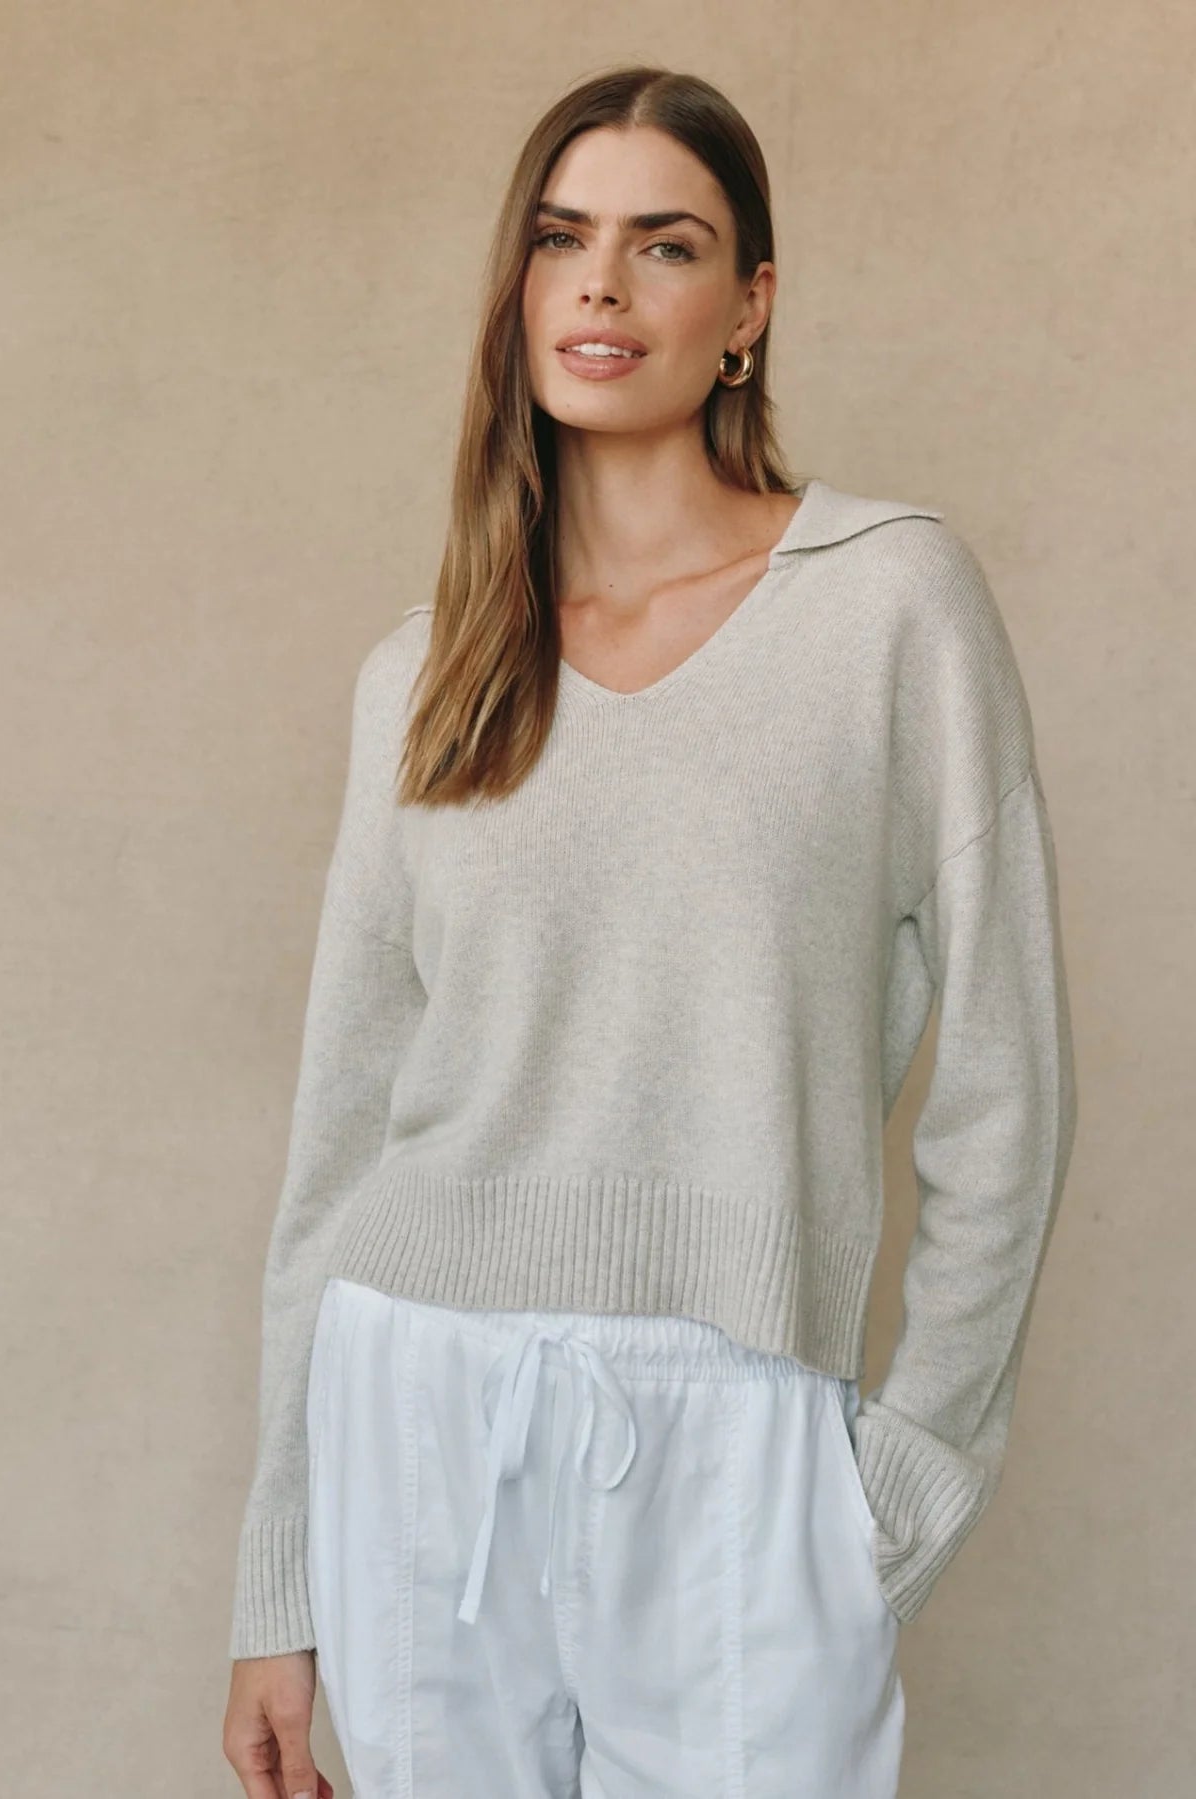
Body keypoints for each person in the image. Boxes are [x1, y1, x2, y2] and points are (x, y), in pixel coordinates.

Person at [222, 63, 1077, 1799]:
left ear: (748, 308)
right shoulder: (426, 673)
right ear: (519, 283)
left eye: (664, 244)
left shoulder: (891, 606)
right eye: (562, 238)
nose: (602, 284)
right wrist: (283, 1576)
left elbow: (1011, 1084)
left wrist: (911, 1473)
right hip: (415, 1412)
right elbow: (340, 1140)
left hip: (740, 1429)